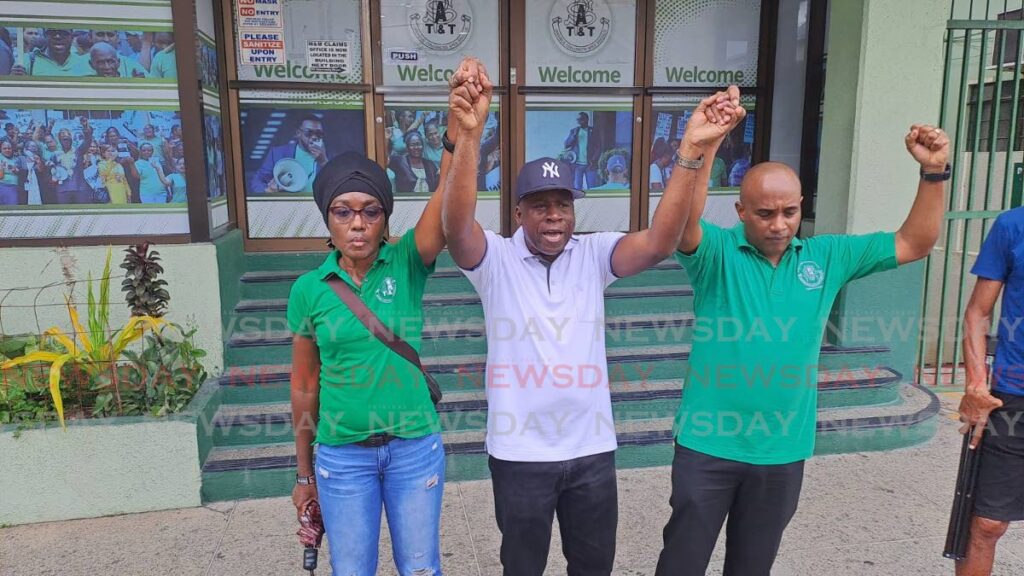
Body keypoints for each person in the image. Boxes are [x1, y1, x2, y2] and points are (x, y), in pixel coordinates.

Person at [443, 58, 741, 576]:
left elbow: (659, 242)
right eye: (539, 205)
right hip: (520, 455)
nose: (553, 214)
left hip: (592, 452)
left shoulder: (594, 254)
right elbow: (455, 226)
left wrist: (691, 152)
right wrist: (470, 137)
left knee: (593, 566)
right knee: (522, 566)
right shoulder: (494, 261)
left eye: (563, 203)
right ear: (518, 213)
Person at [653, 86, 950, 576]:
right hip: (708, 447)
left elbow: (914, 242)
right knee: (682, 563)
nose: (779, 224)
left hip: (781, 450)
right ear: (741, 211)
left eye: (789, 211)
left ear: (800, 206)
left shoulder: (825, 257)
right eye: (765, 213)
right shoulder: (716, 255)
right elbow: (684, 220)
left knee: (752, 566)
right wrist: (704, 146)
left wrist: (934, 170)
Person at [287, 79, 459, 576]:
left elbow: (444, 204)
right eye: (343, 212)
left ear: (385, 219)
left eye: (370, 212)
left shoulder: (407, 262)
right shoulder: (309, 289)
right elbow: (304, 386)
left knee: (422, 569)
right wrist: (303, 473)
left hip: (413, 451)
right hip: (342, 459)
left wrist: (456, 133)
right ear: (328, 220)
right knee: (352, 570)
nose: (357, 223)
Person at [954, 206, 1024, 576]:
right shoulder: (1012, 226)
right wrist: (976, 384)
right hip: (1011, 397)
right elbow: (977, 313)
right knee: (986, 524)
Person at [250, 115, 327, 194]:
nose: (314, 137)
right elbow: (257, 180)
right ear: (298, 133)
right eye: (308, 133)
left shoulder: (328, 157)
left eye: (318, 133)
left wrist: (324, 161)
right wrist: (267, 191)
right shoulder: (277, 153)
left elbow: (336, 184)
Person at [12, 28, 92, 76]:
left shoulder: (86, 63)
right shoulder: (25, 61)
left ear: (71, 37)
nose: (57, 36)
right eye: (52, 32)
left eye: (64, 33)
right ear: (45, 36)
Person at [563, 111, 599, 190]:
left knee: (592, 188)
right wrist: (573, 136)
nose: (579, 121)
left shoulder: (593, 131)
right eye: (578, 120)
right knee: (577, 188)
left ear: (587, 120)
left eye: (581, 119)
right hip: (577, 165)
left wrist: (593, 160)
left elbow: (598, 147)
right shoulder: (574, 131)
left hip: (590, 165)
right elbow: (566, 145)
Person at [0, 139, 24, 205]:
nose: (7, 150)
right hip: (1, 185)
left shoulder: (17, 159)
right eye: (4, 148)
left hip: (13, 186)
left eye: (9, 148)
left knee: (12, 209)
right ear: (1, 149)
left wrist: (16, 171)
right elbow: (0, 176)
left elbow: (21, 173)